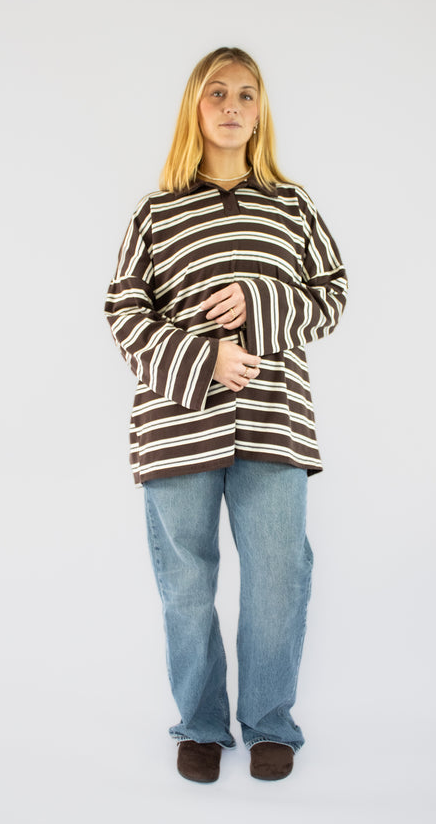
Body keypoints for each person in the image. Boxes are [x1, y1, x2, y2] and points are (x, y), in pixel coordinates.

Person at [104, 46, 348, 783]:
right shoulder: (156, 212)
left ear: (260, 110)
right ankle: (201, 724)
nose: (232, 105)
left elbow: (331, 295)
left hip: (275, 418)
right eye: (216, 92)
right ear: (195, 107)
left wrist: (260, 301)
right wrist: (203, 358)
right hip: (176, 423)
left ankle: (270, 722)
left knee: (278, 576)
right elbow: (124, 311)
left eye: (246, 93)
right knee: (186, 584)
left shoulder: (292, 205)